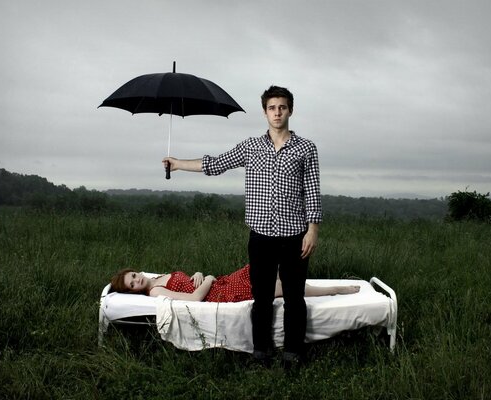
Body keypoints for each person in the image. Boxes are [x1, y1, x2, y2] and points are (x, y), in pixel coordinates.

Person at [162, 86, 322, 366]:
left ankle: (293, 353)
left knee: (295, 298)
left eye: (282, 107)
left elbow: (312, 192)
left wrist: (312, 230)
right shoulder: (251, 147)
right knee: (261, 298)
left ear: (290, 110)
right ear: (264, 112)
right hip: (260, 238)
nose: (277, 113)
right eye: (272, 108)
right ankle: (261, 351)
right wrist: (178, 164)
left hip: (295, 237)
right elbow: (216, 164)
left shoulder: (306, 148)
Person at [110, 265, 360, 301]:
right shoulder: (155, 291)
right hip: (218, 294)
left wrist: (197, 273)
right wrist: (206, 279)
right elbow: (195, 298)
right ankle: (334, 290)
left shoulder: (153, 277)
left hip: (221, 283)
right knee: (277, 288)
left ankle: (308, 284)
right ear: (133, 292)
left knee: (266, 266)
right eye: (132, 284)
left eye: (133, 275)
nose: (136, 279)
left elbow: (186, 282)